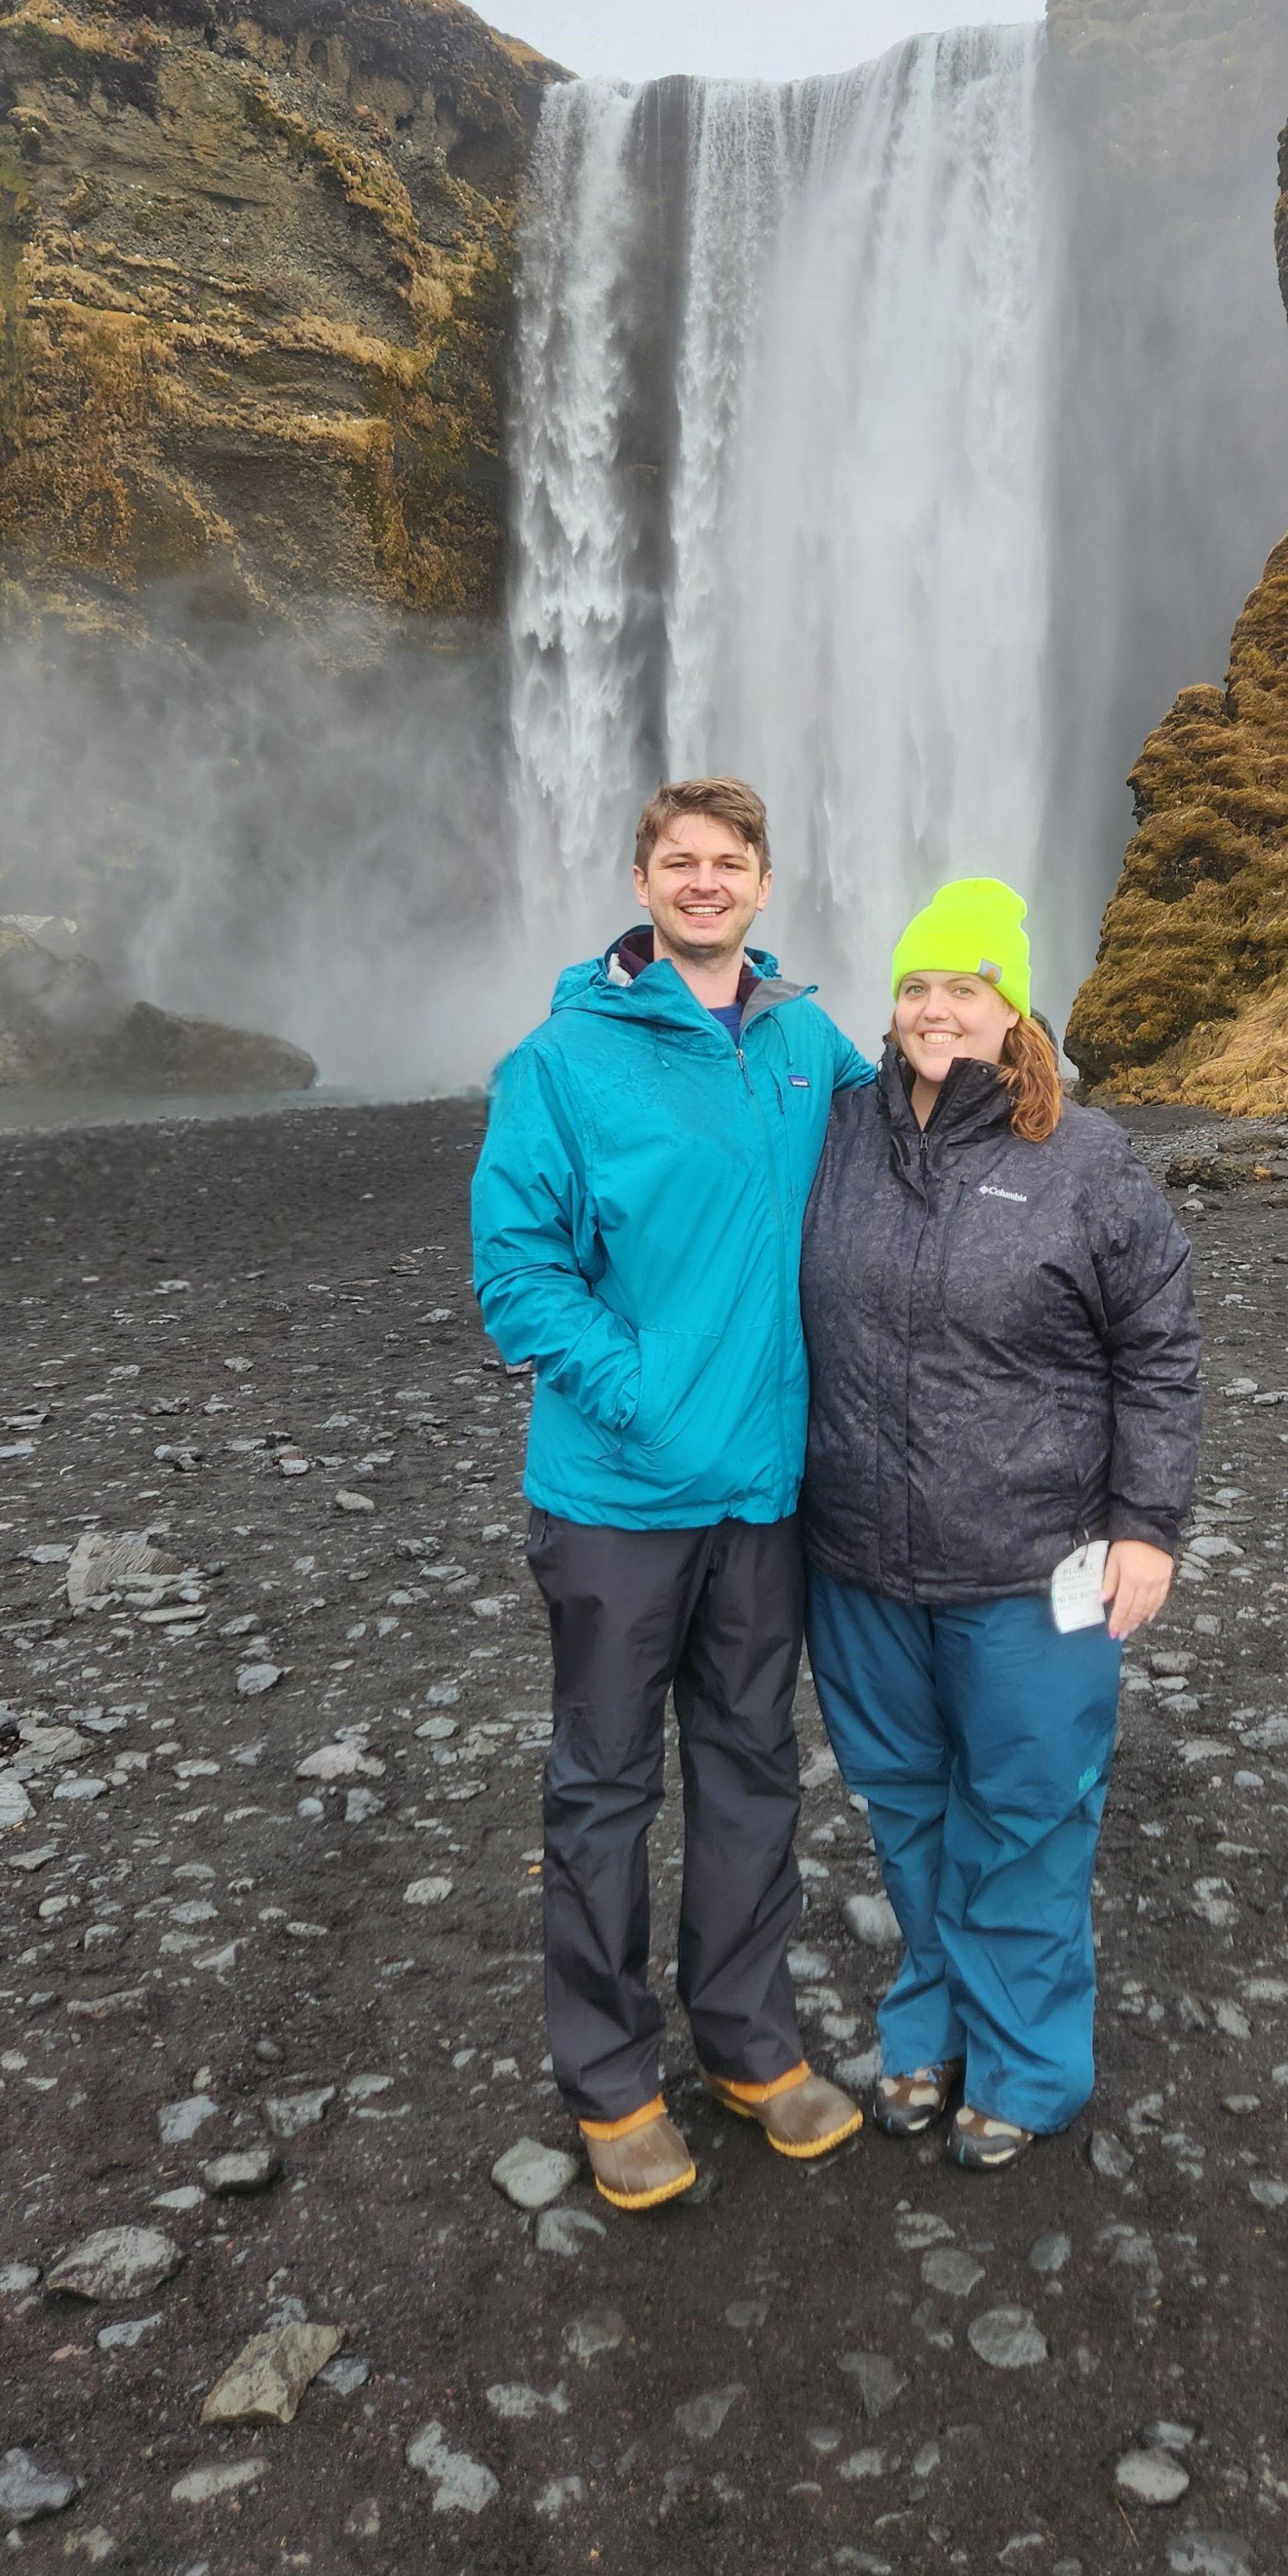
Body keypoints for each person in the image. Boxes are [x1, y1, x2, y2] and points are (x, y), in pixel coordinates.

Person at [469, 779, 877, 2210]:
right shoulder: (563, 1061)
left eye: (730, 863)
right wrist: (649, 1399)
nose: (705, 883)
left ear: (765, 885)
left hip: (766, 1495)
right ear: (642, 882)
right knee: (602, 1784)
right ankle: (611, 2079)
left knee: (754, 1765)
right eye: (679, 862)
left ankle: (753, 2043)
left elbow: (913, 1160)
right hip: (620, 1498)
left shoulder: (805, 1043)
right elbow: (517, 1279)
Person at [796, 878, 1202, 2169]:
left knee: (1027, 1810)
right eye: (916, 986)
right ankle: (932, 2023)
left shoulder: (1087, 1161)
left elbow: (1159, 1352)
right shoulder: (841, 1135)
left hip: (1032, 1567)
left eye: (962, 987)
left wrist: (1149, 1525)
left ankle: (1031, 2062)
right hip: (859, 1555)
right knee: (907, 1805)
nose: (934, 1010)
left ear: (1009, 1006)